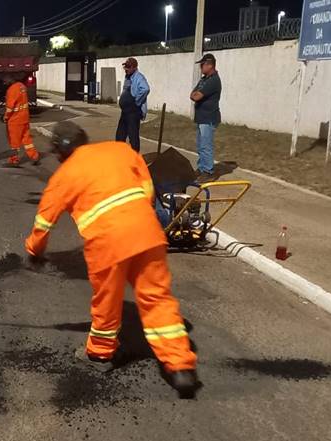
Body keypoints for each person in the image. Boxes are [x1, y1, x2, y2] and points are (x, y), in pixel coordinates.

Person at [24, 121, 200, 398]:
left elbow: (44, 220)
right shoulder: (120, 150)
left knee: (107, 301)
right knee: (157, 299)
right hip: (147, 233)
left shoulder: (64, 175)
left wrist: (34, 251)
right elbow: (146, 186)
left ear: (59, 151)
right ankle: (180, 367)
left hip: (107, 244)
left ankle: (99, 353)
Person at [189, 53, 222, 183]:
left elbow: (196, 96)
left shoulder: (213, 80)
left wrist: (196, 95)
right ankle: (202, 168)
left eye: (202, 65)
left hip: (209, 117)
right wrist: (195, 94)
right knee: (200, 145)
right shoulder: (204, 80)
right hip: (201, 117)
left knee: (206, 146)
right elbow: (192, 94)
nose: (201, 67)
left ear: (210, 65)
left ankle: (208, 172)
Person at [3, 77, 41, 167]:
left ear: (10, 80)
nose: (4, 82)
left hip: (15, 120)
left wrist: (5, 117)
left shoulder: (11, 90)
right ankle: (34, 156)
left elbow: (10, 107)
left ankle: (13, 160)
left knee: (14, 142)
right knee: (27, 140)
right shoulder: (22, 86)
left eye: (5, 80)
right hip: (24, 118)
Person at [115, 57, 150, 152]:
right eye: (125, 67)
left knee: (133, 137)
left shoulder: (139, 77)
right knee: (119, 136)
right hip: (125, 112)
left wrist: (137, 101)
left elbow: (146, 89)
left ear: (134, 67)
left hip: (133, 112)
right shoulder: (128, 76)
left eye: (128, 67)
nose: (126, 69)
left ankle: (135, 158)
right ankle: (120, 157)